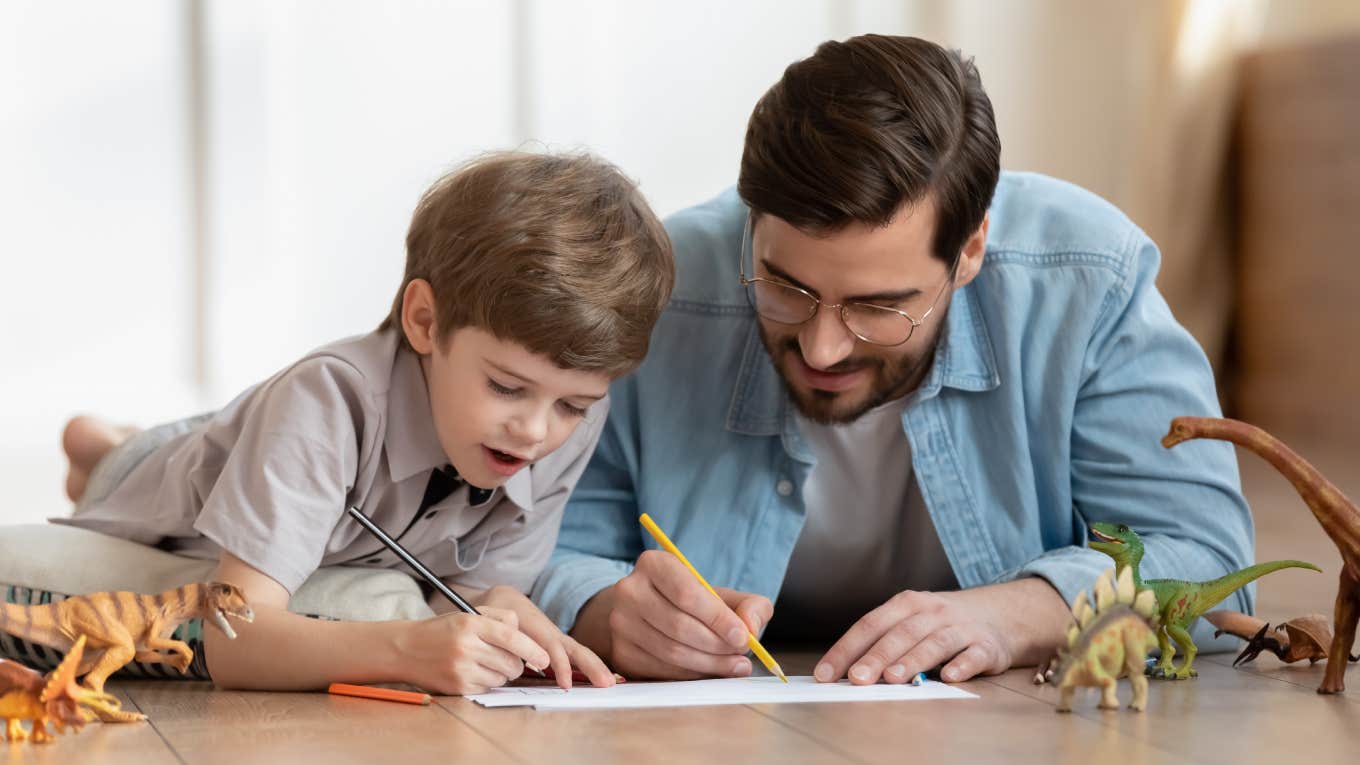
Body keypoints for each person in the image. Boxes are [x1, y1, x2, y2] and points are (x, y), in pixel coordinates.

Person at [532, 35, 1253, 686]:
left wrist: (1023, 612)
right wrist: (599, 608)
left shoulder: (1087, 280)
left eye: (879, 306)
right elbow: (543, 547)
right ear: (751, 225)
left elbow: (1214, 567)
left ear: (969, 250)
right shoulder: (663, 287)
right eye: (785, 287)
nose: (822, 346)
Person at [57, 151, 675, 695]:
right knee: (127, 465)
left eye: (572, 405)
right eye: (506, 387)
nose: (537, 431)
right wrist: (405, 650)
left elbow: (458, 591)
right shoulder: (324, 404)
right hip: (181, 475)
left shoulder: (568, 420)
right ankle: (103, 447)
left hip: (279, 448)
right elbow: (234, 640)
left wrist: (502, 605)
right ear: (425, 321)